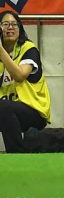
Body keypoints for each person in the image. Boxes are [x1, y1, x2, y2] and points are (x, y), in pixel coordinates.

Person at [0, 11, 51, 153]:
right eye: (5, 24)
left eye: (14, 24)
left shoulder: (28, 49)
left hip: (33, 112)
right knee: (3, 108)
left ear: (20, 28)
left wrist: (1, 51)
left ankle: (17, 153)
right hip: (5, 111)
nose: (10, 27)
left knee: (4, 107)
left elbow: (20, 75)